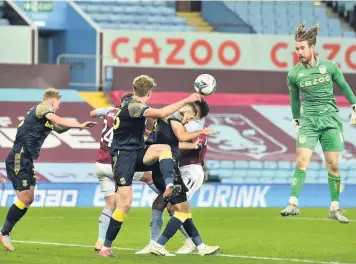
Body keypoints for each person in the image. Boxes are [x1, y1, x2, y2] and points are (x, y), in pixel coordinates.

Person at [98, 75, 201, 257]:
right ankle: (106, 247)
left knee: (163, 148)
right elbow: (161, 113)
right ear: (150, 93)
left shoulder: (130, 102)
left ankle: (169, 184)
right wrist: (188, 99)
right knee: (125, 205)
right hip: (123, 157)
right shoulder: (133, 106)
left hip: (137, 151)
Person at [0, 88, 97, 251]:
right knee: (24, 198)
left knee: (29, 199)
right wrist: (78, 124)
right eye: (58, 104)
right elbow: (56, 119)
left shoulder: (43, 117)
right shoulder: (41, 108)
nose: (58, 107)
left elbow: (58, 128)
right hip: (19, 156)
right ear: (52, 101)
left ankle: (5, 232)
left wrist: (75, 127)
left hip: (28, 159)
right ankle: (4, 233)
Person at [281, 23, 356, 223]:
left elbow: (344, 86)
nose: (299, 52)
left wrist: (355, 104)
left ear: (312, 48)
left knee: (333, 165)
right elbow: (294, 99)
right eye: (296, 49)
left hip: (331, 120)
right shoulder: (294, 74)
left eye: (302, 48)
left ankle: (334, 208)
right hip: (309, 122)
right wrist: (296, 119)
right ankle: (293, 202)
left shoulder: (329, 66)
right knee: (301, 161)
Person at [142, 100, 219, 256]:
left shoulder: (183, 124)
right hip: (175, 169)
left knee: (180, 208)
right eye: (185, 115)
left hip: (187, 170)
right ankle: (163, 244)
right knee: (180, 209)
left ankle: (196, 245)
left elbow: (191, 144)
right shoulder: (176, 123)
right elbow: (178, 138)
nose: (186, 119)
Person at [90, 93, 159, 252]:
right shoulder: (131, 118)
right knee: (148, 177)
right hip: (117, 162)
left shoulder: (111, 112)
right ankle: (168, 196)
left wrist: (108, 110)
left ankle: (100, 240)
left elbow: (93, 113)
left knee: (110, 204)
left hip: (100, 163)